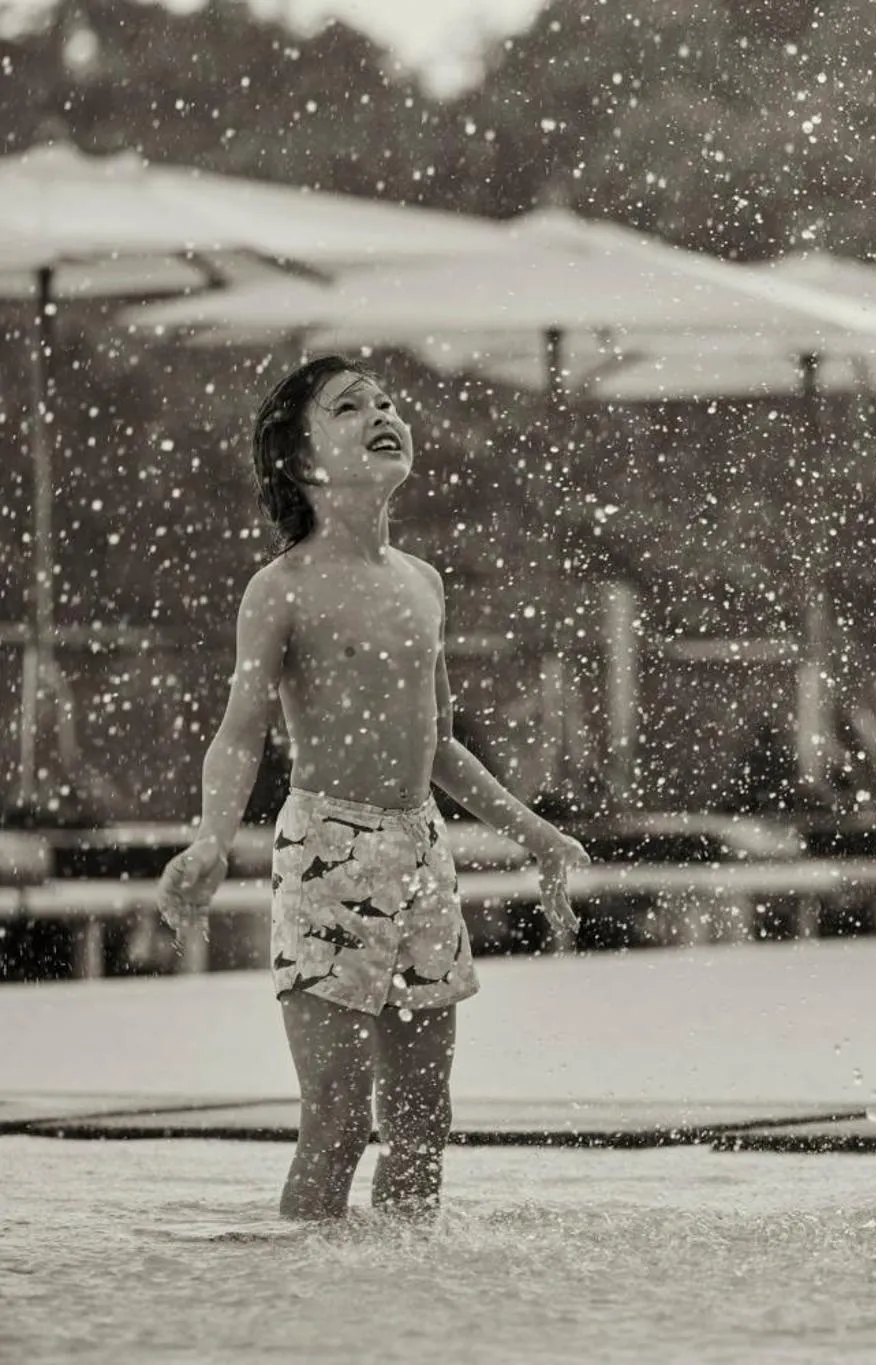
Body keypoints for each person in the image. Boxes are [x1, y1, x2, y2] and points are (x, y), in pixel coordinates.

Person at [157, 356, 591, 1221]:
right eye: (348, 407)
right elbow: (241, 730)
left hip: (421, 847)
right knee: (340, 1121)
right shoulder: (282, 587)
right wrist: (210, 839)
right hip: (330, 847)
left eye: (386, 402)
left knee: (425, 1120)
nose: (381, 412)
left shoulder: (422, 582)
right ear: (302, 462)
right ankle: (306, 1306)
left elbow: (438, 745)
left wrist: (534, 832)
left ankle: (398, 1301)